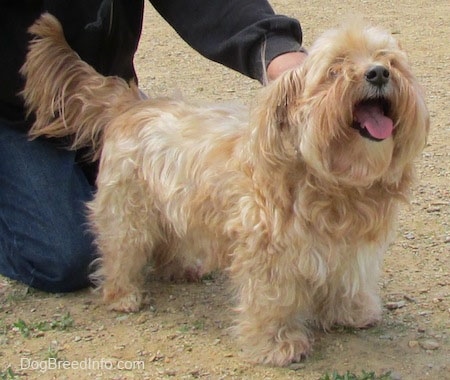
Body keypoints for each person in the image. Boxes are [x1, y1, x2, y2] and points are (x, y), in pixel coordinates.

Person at [0, 0, 307, 293]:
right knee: (65, 257)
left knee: (171, 178)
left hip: (105, 86)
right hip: (10, 113)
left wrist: (274, 49)